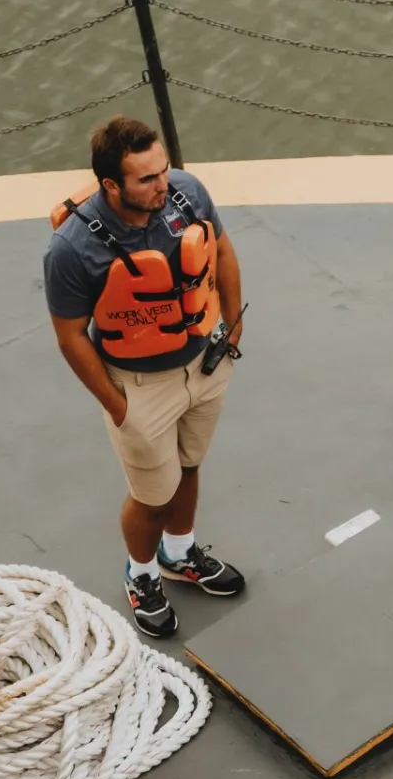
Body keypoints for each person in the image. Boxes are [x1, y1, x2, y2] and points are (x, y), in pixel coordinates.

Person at [45, 115, 247, 638]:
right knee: (152, 495)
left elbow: (222, 249)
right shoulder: (71, 250)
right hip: (139, 387)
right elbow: (70, 336)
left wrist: (234, 328)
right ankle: (142, 573)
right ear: (111, 185)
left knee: (190, 465)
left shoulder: (186, 193)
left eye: (163, 171)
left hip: (206, 361)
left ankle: (180, 554)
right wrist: (118, 406)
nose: (164, 184)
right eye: (147, 179)